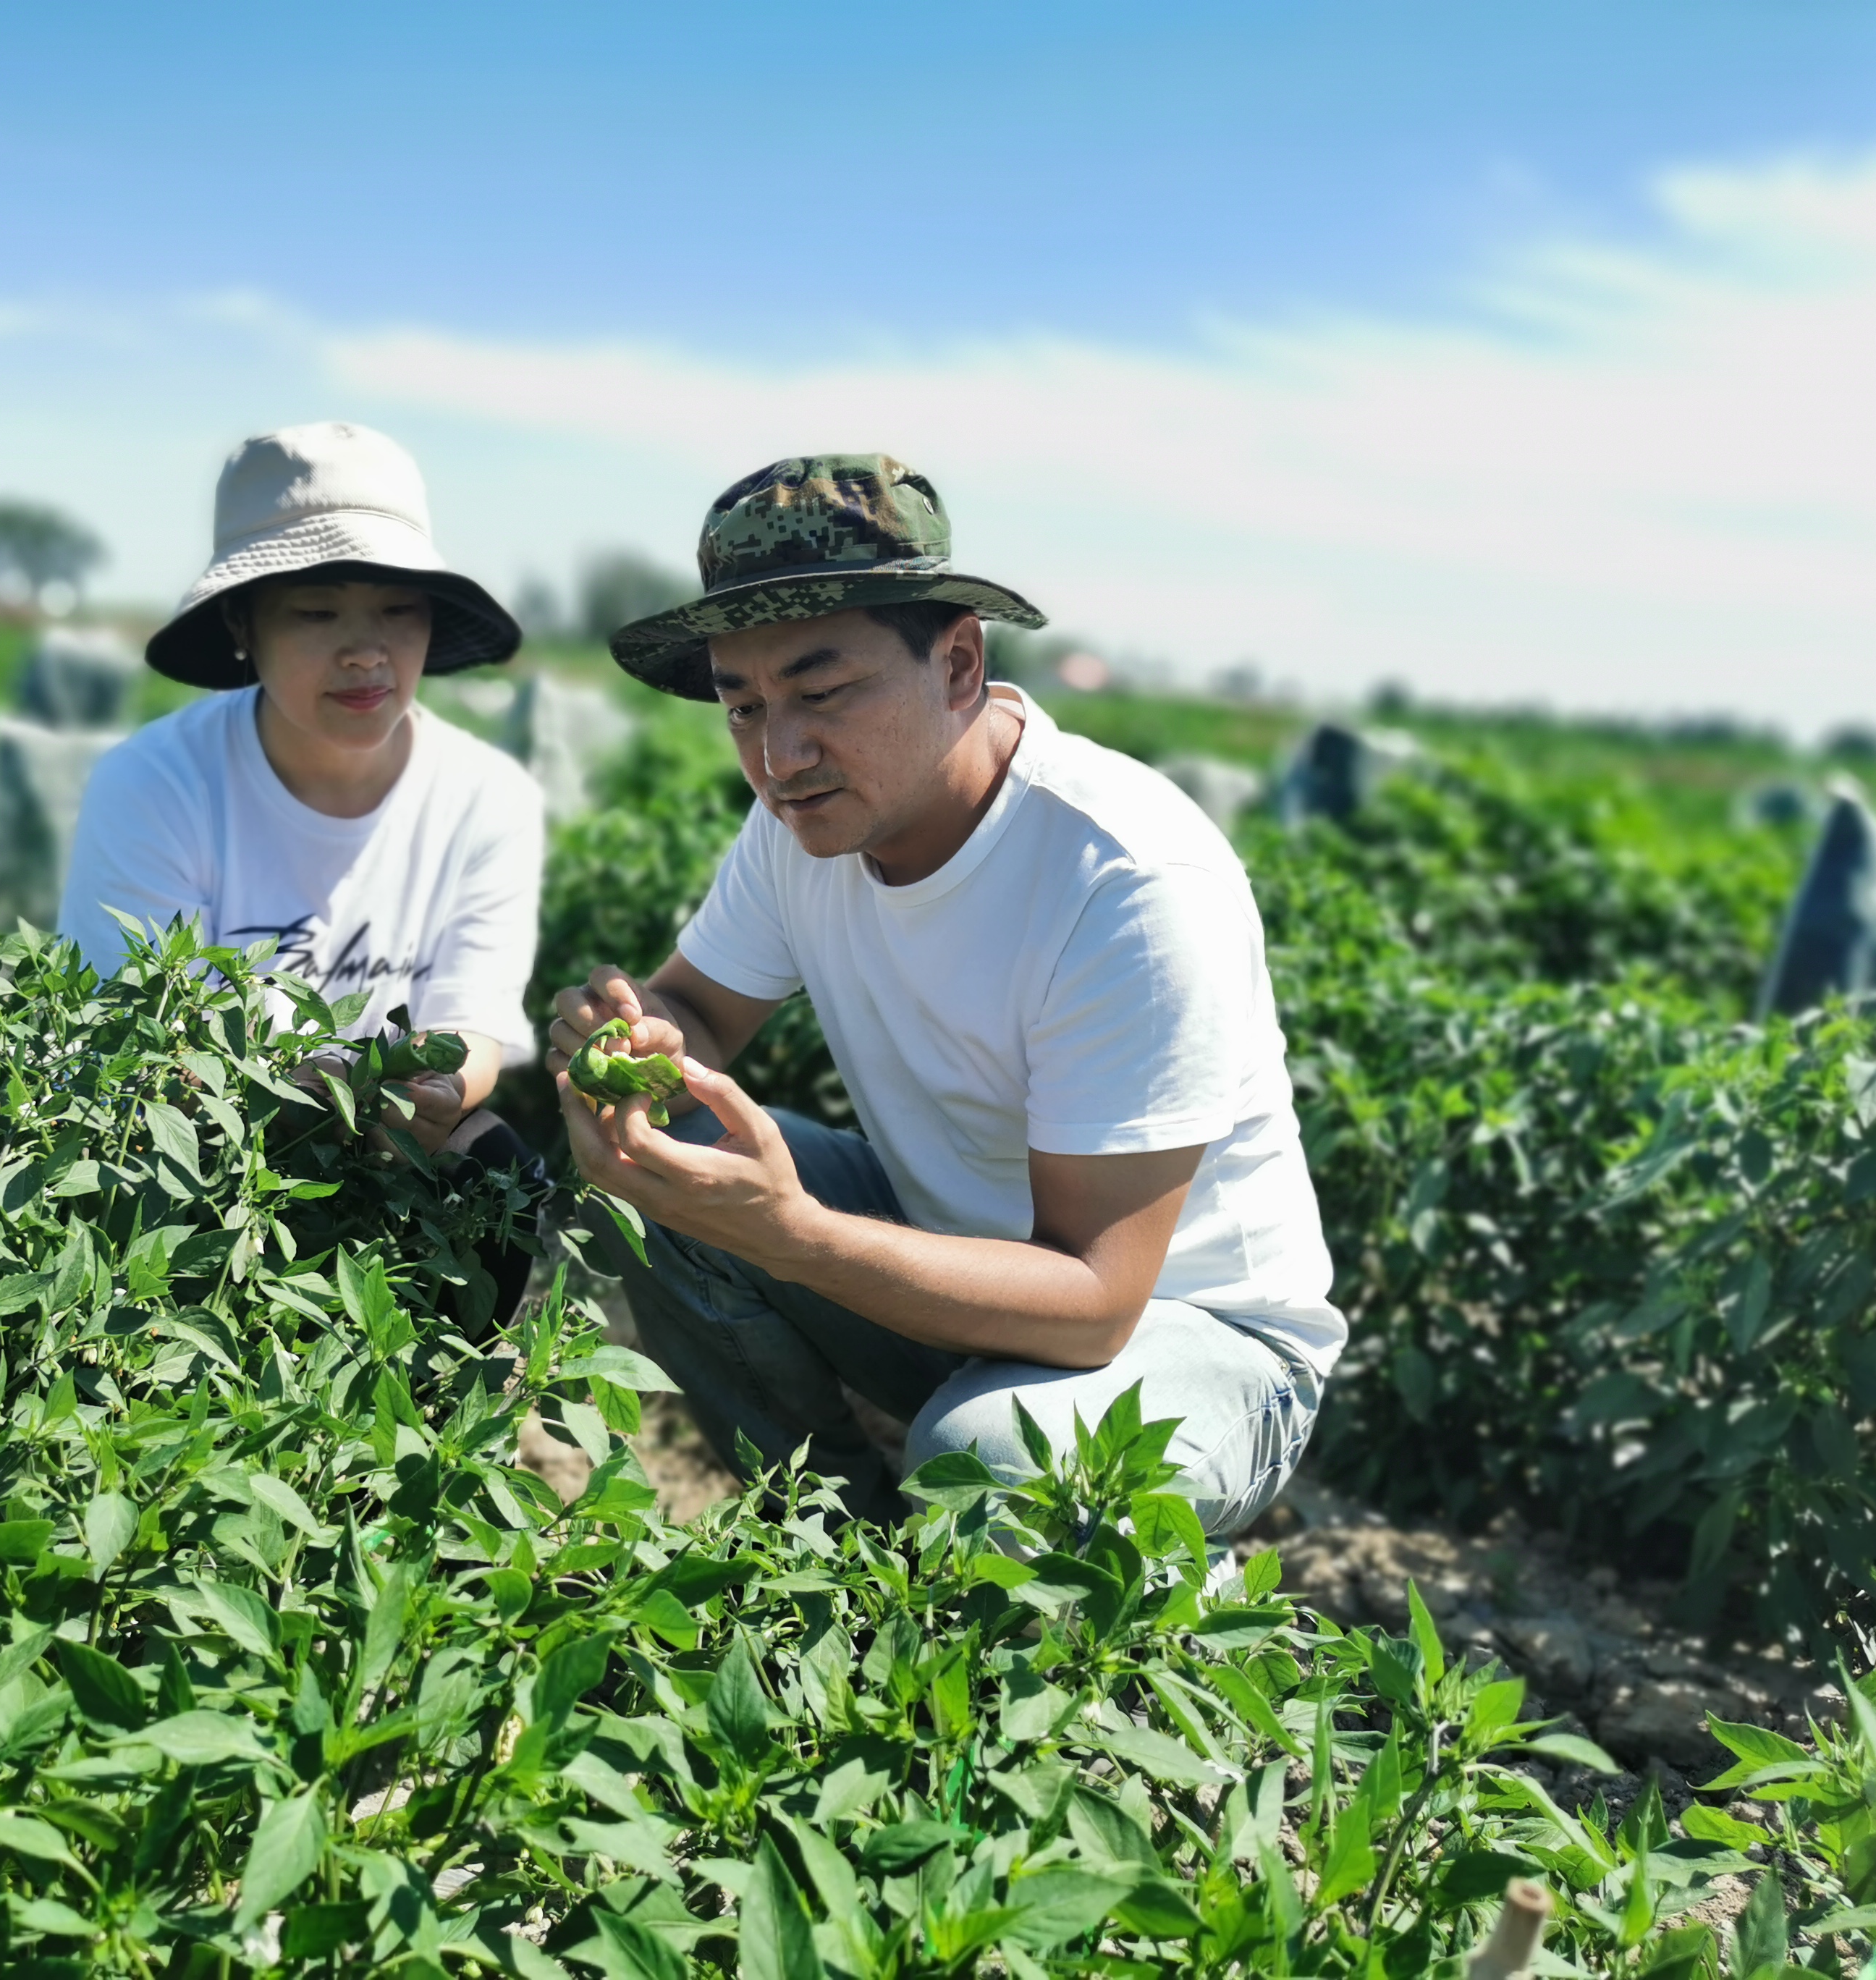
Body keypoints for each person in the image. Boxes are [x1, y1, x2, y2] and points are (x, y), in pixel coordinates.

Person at [549, 454, 1342, 1532]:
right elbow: (700, 1017)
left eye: (822, 692)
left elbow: (1097, 1304)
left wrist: (795, 1234)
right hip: (962, 1273)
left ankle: (1124, 1570)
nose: (780, 756)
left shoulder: (1124, 880)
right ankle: (833, 1549)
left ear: (959, 664)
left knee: (988, 1460)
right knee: (675, 1152)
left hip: (1195, 1340)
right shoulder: (806, 821)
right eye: (743, 707)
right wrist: (638, 1037)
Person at [60, 421, 547, 1316]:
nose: (366, 652)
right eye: (317, 613)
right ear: (241, 624)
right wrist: (319, 1091)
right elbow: (134, 1042)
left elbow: (473, 1018)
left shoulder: (488, 797)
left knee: (493, 1169)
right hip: (201, 1137)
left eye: (398, 611)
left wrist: (438, 1090)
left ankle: (434, 1388)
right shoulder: (154, 783)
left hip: (388, 1137)